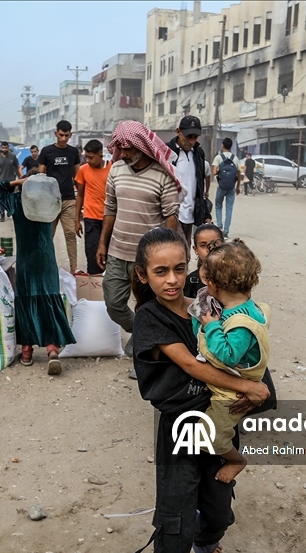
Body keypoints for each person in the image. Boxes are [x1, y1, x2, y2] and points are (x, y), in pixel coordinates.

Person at [123, 227, 269, 553]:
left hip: (220, 422)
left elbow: (245, 353)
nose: (172, 280)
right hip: (182, 428)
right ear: (142, 275)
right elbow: (191, 365)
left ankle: (207, 537)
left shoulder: (209, 306)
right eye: (160, 271)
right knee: (176, 519)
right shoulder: (150, 319)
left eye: (179, 268)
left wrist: (260, 390)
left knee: (219, 507)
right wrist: (248, 388)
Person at [95, 120, 181, 371]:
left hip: (147, 258)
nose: (123, 153)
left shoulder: (163, 175)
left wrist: (167, 254)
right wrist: (102, 243)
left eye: (128, 148)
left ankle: (145, 357)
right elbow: (110, 208)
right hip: (117, 251)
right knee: (113, 303)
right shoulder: (116, 170)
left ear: (142, 146)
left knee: (148, 306)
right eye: (120, 148)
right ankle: (144, 333)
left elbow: (171, 216)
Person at [192, 240, 269, 481]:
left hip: (232, 390)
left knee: (209, 436)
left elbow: (228, 355)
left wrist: (211, 326)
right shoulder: (232, 305)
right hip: (226, 380)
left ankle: (236, 459)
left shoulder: (241, 323)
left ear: (213, 284)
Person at [0, 176, 76, 374]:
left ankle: (27, 351)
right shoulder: (51, 203)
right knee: (50, 300)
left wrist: (17, 182)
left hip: (26, 262)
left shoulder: (17, 202)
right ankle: (52, 349)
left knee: (26, 301)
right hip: (47, 260)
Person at [37, 120, 81, 273]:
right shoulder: (46, 151)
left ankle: (74, 269)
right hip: (50, 200)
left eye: (66, 135)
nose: (63, 139)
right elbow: (41, 176)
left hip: (69, 199)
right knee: (48, 235)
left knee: (70, 234)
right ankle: (45, 265)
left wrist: (81, 198)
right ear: (56, 134)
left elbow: (77, 177)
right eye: (61, 135)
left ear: (70, 135)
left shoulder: (73, 152)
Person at [166, 115, 210, 244]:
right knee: (175, 250)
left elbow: (200, 186)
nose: (191, 141)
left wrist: (206, 214)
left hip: (190, 216)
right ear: (178, 132)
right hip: (172, 215)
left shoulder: (198, 154)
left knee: (186, 251)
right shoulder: (167, 151)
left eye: (195, 138)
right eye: (188, 137)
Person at [74, 139, 111, 275]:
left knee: (109, 255)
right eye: (86, 157)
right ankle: (94, 284)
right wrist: (77, 220)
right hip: (91, 218)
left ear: (100, 155)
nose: (87, 160)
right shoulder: (83, 170)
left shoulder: (112, 169)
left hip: (109, 219)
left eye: (91, 157)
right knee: (92, 254)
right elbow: (80, 195)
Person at [183, 223, 224, 298]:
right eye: (203, 245)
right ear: (195, 250)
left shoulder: (234, 276)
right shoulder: (190, 281)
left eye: (215, 243)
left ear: (223, 245)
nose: (210, 248)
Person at [211, 138, 242, 235]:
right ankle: (226, 231)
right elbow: (239, 174)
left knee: (218, 205)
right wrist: (238, 187)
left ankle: (219, 225)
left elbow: (214, 172)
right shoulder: (235, 158)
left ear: (222, 145)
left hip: (221, 186)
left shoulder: (218, 157)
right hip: (231, 187)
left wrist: (220, 171)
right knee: (229, 208)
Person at [0, 140, 21, 222]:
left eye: (6, 148)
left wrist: (20, 177)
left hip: (10, 181)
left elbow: (17, 167)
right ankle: (2, 214)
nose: (4, 149)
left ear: (8, 148)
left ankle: (9, 210)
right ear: (0, 148)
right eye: (3, 148)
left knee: (9, 197)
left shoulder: (12, 156)